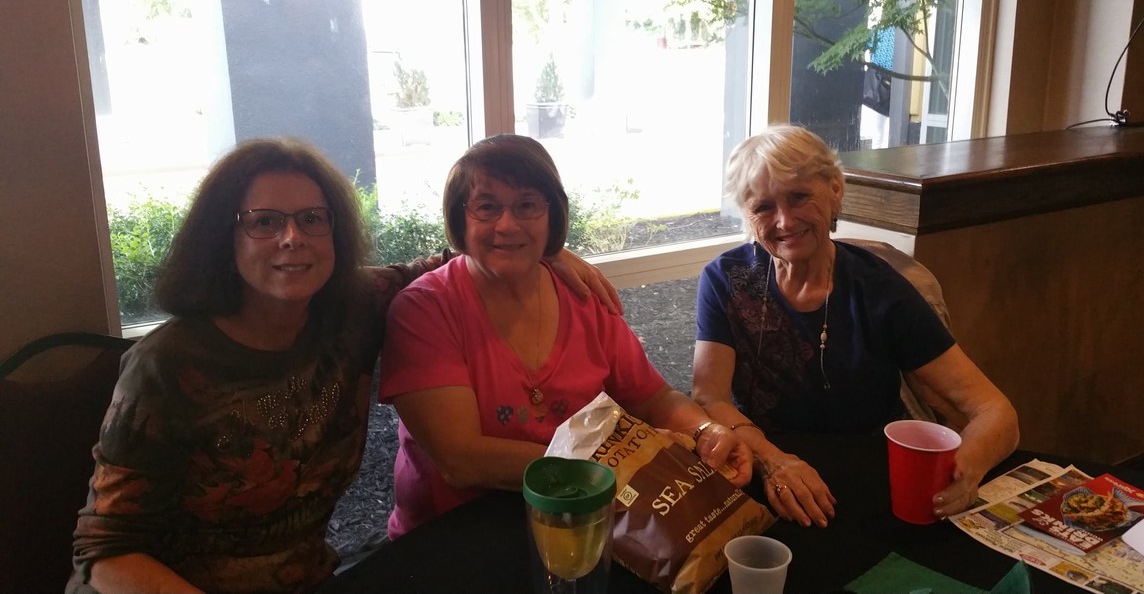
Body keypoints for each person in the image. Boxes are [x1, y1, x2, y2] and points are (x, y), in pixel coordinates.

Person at [69, 137, 616, 594]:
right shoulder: (168, 365)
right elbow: (104, 551)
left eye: (312, 219)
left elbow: (470, 253)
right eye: (264, 221)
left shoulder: (352, 310)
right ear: (222, 236)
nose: (292, 238)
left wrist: (549, 249)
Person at [378, 134, 754, 538]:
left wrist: (706, 432)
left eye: (527, 205)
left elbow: (653, 398)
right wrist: (609, 464)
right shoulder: (424, 309)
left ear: (552, 216)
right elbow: (462, 460)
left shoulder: (583, 297)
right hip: (454, 536)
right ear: (459, 218)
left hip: (578, 521)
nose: (507, 224)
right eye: (486, 207)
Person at [690, 124, 1019, 529]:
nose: (784, 221)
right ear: (746, 214)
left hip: (866, 477)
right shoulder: (725, 279)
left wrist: (963, 471)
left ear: (835, 189)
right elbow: (708, 397)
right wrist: (773, 461)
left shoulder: (880, 290)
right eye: (763, 207)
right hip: (760, 466)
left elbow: (996, 412)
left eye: (799, 197)